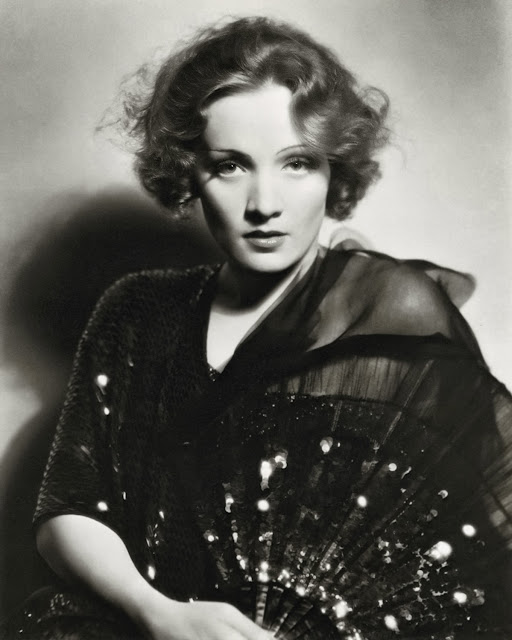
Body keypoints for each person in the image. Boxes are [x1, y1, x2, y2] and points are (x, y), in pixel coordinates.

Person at [2, 15, 512, 640]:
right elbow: (67, 511)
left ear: (334, 171)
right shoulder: (137, 310)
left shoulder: (392, 310)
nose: (264, 204)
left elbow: (469, 560)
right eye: (230, 166)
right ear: (187, 173)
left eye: (296, 163)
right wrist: (160, 613)